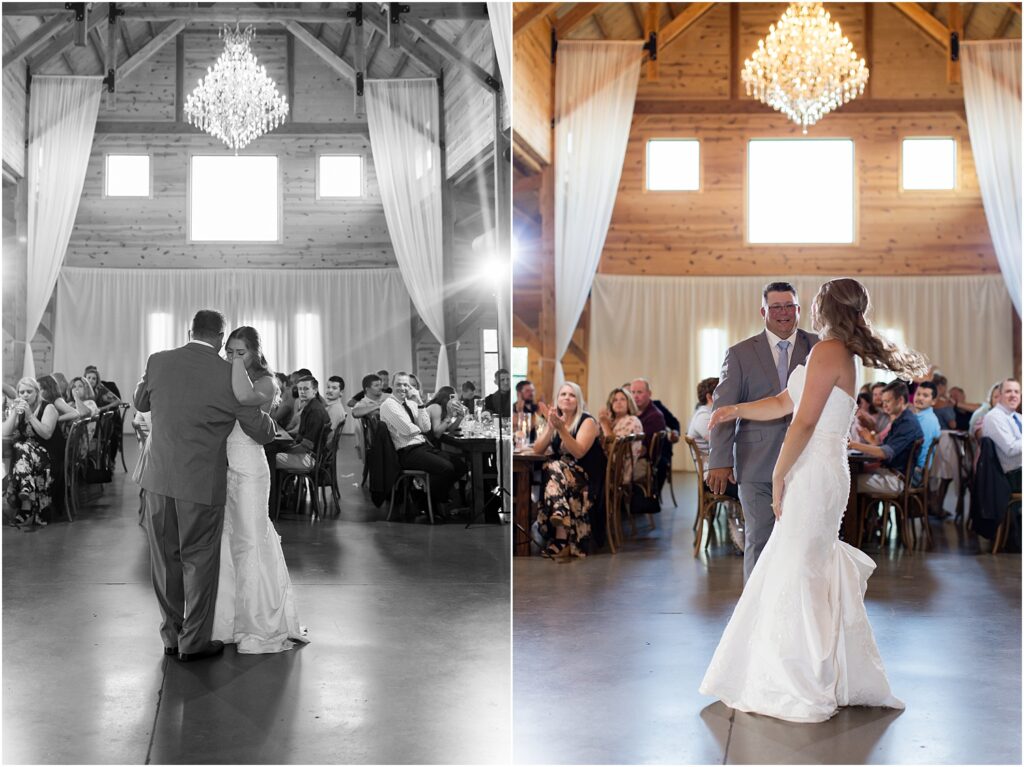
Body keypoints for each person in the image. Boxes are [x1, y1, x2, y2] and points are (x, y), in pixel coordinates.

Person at [700, 277, 920, 723]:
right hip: (818, 469)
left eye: (814, 302)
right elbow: (784, 400)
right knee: (797, 564)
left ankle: (802, 676)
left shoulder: (828, 350)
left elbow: (802, 423)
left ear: (825, 307)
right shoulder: (833, 351)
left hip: (814, 472)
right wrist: (734, 409)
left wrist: (780, 475)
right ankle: (808, 665)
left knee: (799, 567)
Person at [134, 310, 277, 662]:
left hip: (157, 479)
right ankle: (193, 642)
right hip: (200, 483)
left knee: (165, 560)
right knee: (198, 560)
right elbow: (259, 430)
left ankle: (170, 634)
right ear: (221, 336)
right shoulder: (229, 374)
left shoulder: (158, 361)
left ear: (191, 330)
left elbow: (140, 402)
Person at [708, 281, 819, 580]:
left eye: (789, 306)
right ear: (764, 311)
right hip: (756, 461)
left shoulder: (819, 347)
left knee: (804, 541)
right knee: (759, 538)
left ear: (798, 310)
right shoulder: (740, 353)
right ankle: (755, 613)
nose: (783, 313)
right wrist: (719, 460)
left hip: (806, 459)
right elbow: (725, 406)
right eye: (776, 307)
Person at [212, 326, 305, 654]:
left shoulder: (266, 381)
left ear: (255, 352)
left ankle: (257, 624)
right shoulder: (227, 374)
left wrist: (232, 368)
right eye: (230, 352)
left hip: (250, 467)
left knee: (251, 538)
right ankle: (226, 620)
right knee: (229, 539)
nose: (234, 357)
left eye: (241, 352)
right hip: (225, 467)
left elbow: (244, 399)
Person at [530, 381, 607, 558]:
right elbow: (537, 450)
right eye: (563, 394)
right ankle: (562, 535)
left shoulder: (587, 421)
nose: (567, 398)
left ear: (578, 400)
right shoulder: (556, 420)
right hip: (562, 477)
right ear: (557, 400)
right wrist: (550, 427)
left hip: (586, 474)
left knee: (551, 466)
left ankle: (560, 521)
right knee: (551, 467)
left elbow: (579, 452)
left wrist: (561, 429)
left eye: (572, 395)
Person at [378, 372, 466, 516]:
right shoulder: (389, 405)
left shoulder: (411, 403)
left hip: (421, 446)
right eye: (398, 384)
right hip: (406, 452)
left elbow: (426, 428)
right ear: (392, 386)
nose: (403, 388)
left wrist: (419, 402)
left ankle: (427, 497)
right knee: (446, 468)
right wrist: (417, 428)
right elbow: (408, 430)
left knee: (460, 465)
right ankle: (429, 501)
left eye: (406, 385)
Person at [849, 380, 925, 495]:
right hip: (890, 473)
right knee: (852, 474)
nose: (884, 405)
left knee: (848, 482)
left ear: (900, 400)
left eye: (887, 401)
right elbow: (884, 447)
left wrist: (853, 444)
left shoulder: (907, 423)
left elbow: (885, 452)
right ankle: (869, 513)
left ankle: (862, 513)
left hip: (896, 479)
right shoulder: (901, 419)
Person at [3, 377, 59, 527]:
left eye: (29, 391)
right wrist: (15, 413)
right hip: (26, 457)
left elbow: (46, 434)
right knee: (20, 448)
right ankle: (27, 489)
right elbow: (5, 432)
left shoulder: (49, 408)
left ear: (37, 392)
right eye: (22, 392)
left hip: (47, 453)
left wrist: (30, 415)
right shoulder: (21, 408)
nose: (25, 395)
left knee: (20, 448)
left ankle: (26, 506)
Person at [687, 377, 738, 499]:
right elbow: (722, 443)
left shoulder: (708, 414)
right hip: (713, 476)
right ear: (710, 397)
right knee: (752, 485)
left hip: (719, 470)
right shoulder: (703, 417)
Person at [597, 387, 646, 484]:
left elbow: (615, 449)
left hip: (619, 470)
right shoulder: (612, 421)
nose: (618, 402)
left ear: (629, 403)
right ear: (610, 405)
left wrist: (604, 424)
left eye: (623, 399)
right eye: (615, 400)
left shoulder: (632, 421)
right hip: (607, 465)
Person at [982, 379, 1022, 493]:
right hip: (1012, 476)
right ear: (999, 396)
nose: (1013, 395)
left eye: (1016, 392)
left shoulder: (1018, 417)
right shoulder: (994, 417)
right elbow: (1010, 449)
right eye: (1008, 391)